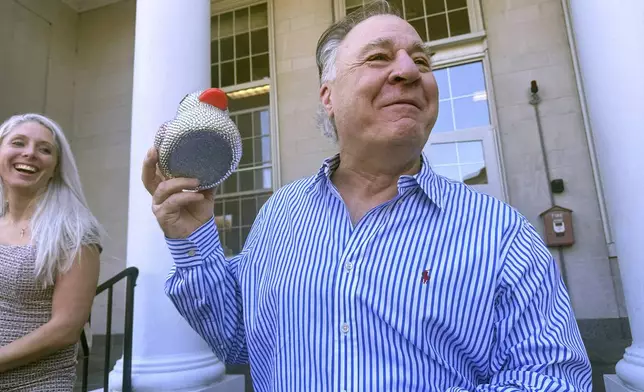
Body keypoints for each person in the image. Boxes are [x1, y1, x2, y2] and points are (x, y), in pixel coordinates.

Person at [142, 1, 592, 391]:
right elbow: (238, 337)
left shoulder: (501, 233)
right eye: (379, 58)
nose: (409, 71)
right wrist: (192, 237)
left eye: (423, 61)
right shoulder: (280, 215)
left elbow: (554, 379)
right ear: (328, 96)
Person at [0, 113, 103, 391]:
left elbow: (65, 330)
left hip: (37, 384)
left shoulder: (75, 232)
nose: (30, 153)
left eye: (44, 149)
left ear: (56, 167)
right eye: (18, 142)